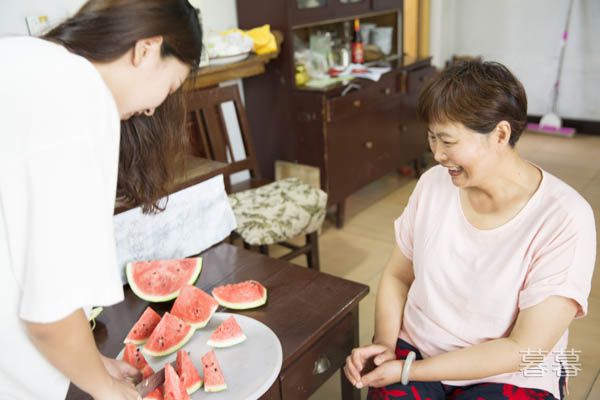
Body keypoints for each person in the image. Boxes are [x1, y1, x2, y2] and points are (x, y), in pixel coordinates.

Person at [344, 61, 596, 400]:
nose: (436, 154)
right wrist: (384, 347)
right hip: (421, 345)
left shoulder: (564, 217)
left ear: (501, 135)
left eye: (448, 141)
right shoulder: (433, 185)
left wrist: (408, 370)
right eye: (432, 137)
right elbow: (397, 275)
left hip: (513, 370)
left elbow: (524, 348)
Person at [0, 0, 202, 398]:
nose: (151, 107)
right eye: (170, 87)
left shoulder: (21, 56)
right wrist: (105, 389)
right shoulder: (81, 101)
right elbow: (49, 315)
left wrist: (95, 365)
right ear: (146, 50)